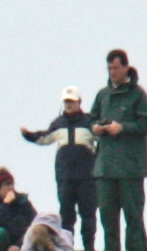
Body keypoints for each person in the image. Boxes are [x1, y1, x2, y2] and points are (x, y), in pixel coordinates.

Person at [87, 49, 147, 251]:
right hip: (105, 167)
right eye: (109, 68)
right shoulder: (102, 95)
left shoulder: (138, 94)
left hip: (130, 167)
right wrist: (96, 128)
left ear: (126, 67)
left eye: (116, 68)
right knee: (107, 214)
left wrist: (122, 128)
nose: (112, 72)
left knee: (133, 214)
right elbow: (91, 119)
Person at [20, 86, 99, 242]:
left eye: (72, 102)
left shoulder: (89, 121)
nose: (69, 105)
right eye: (66, 102)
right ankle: (67, 247)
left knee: (88, 212)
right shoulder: (58, 123)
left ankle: (89, 247)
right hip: (65, 176)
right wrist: (28, 135)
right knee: (66, 214)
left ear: (79, 102)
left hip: (87, 176)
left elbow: (102, 138)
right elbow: (44, 138)